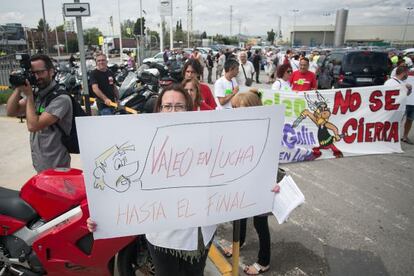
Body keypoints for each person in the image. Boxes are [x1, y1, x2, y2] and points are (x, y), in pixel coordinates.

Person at [229, 90, 283, 275]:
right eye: (234, 108)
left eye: (240, 109)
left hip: (260, 185)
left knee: (260, 225)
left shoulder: (266, 132)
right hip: (241, 182)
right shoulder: (235, 128)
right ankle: (239, 242)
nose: (235, 112)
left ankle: (263, 261)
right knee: (239, 215)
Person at [6, 54, 72, 173]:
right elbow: (11, 111)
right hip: (41, 164)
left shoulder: (60, 98)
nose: (36, 77)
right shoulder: (38, 94)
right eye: (33, 73)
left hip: (57, 166)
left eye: (40, 72)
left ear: (51, 71)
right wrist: (19, 87)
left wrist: (29, 96)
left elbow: (33, 126)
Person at [384, 65, 413, 144]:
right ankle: (387, 139)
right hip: (393, 108)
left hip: (398, 108)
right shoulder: (392, 83)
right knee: (393, 124)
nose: (408, 75)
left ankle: (390, 139)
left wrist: (409, 89)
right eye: (407, 73)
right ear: (403, 73)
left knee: (395, 124)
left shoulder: (401, 83)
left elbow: (406, 94)